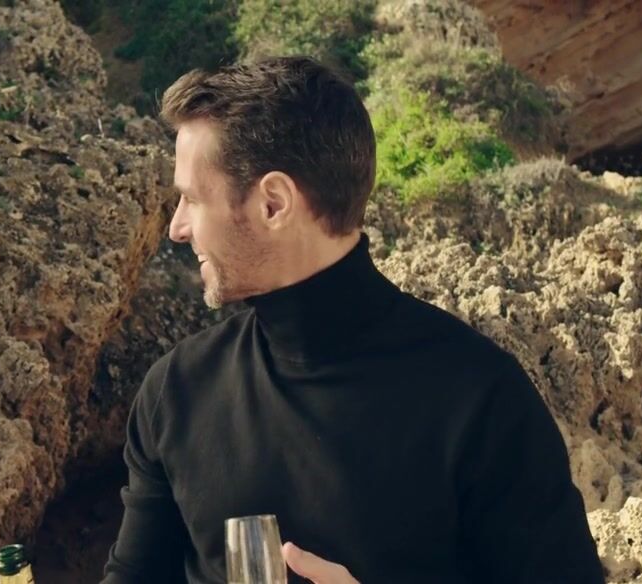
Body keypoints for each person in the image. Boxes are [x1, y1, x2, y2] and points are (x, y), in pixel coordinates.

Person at [101, 57, 604, 583]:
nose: (177, 227)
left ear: (273, 204)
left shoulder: (480, 400)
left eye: (191, 198)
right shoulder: (177, 393)